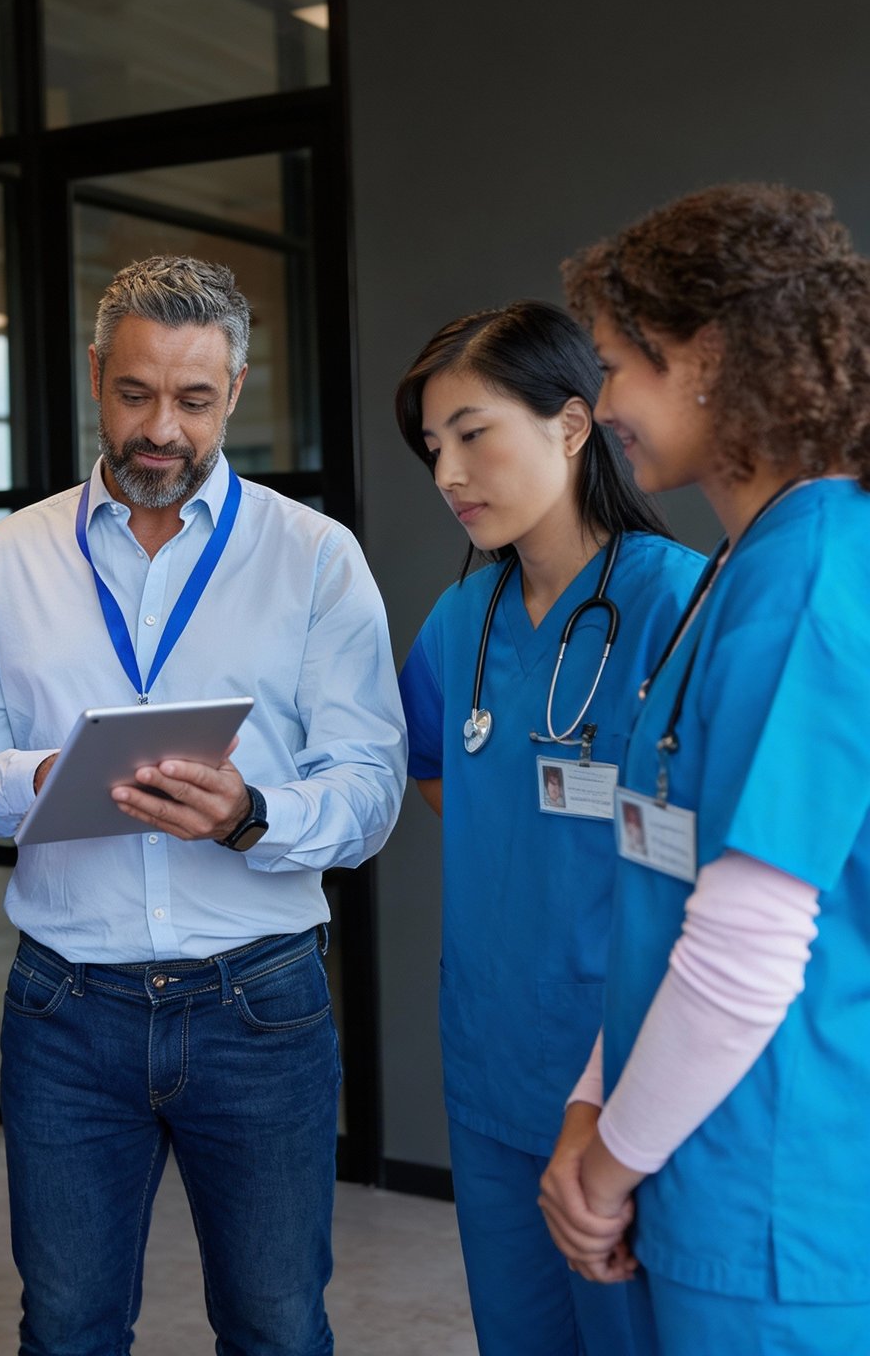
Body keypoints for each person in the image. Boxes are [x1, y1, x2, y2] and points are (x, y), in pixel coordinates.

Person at [0, 254, 406, 1356]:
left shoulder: (314, 559)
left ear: (234, 389)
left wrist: (252, 814)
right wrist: (34, 781)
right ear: (95, 375)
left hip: (260, 1003)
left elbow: (369, 790)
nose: (160, 429)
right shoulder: (7, 559)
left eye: (191, 399)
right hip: (63, 1008)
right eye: (135, 393)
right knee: (69, 1327)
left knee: (277, 1325)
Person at [539, 184, 870, 1354]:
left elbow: (749, 941)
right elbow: (663, 891)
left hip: (776, 1202)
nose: (603, 404)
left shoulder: (814, 571)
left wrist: (608, 1159)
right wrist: (592, 1111)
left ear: (711, 358)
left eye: (620, 364)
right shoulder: (737, 568)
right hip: (692, 1163)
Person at [394, 301, 703, 1356]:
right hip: (489, 1059)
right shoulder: (457, 622)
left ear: (572, 426)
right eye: (433, 447)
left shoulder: (677, 607)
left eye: (473, 433)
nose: (447, 474)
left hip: (622, 1068)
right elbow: (442, 773)